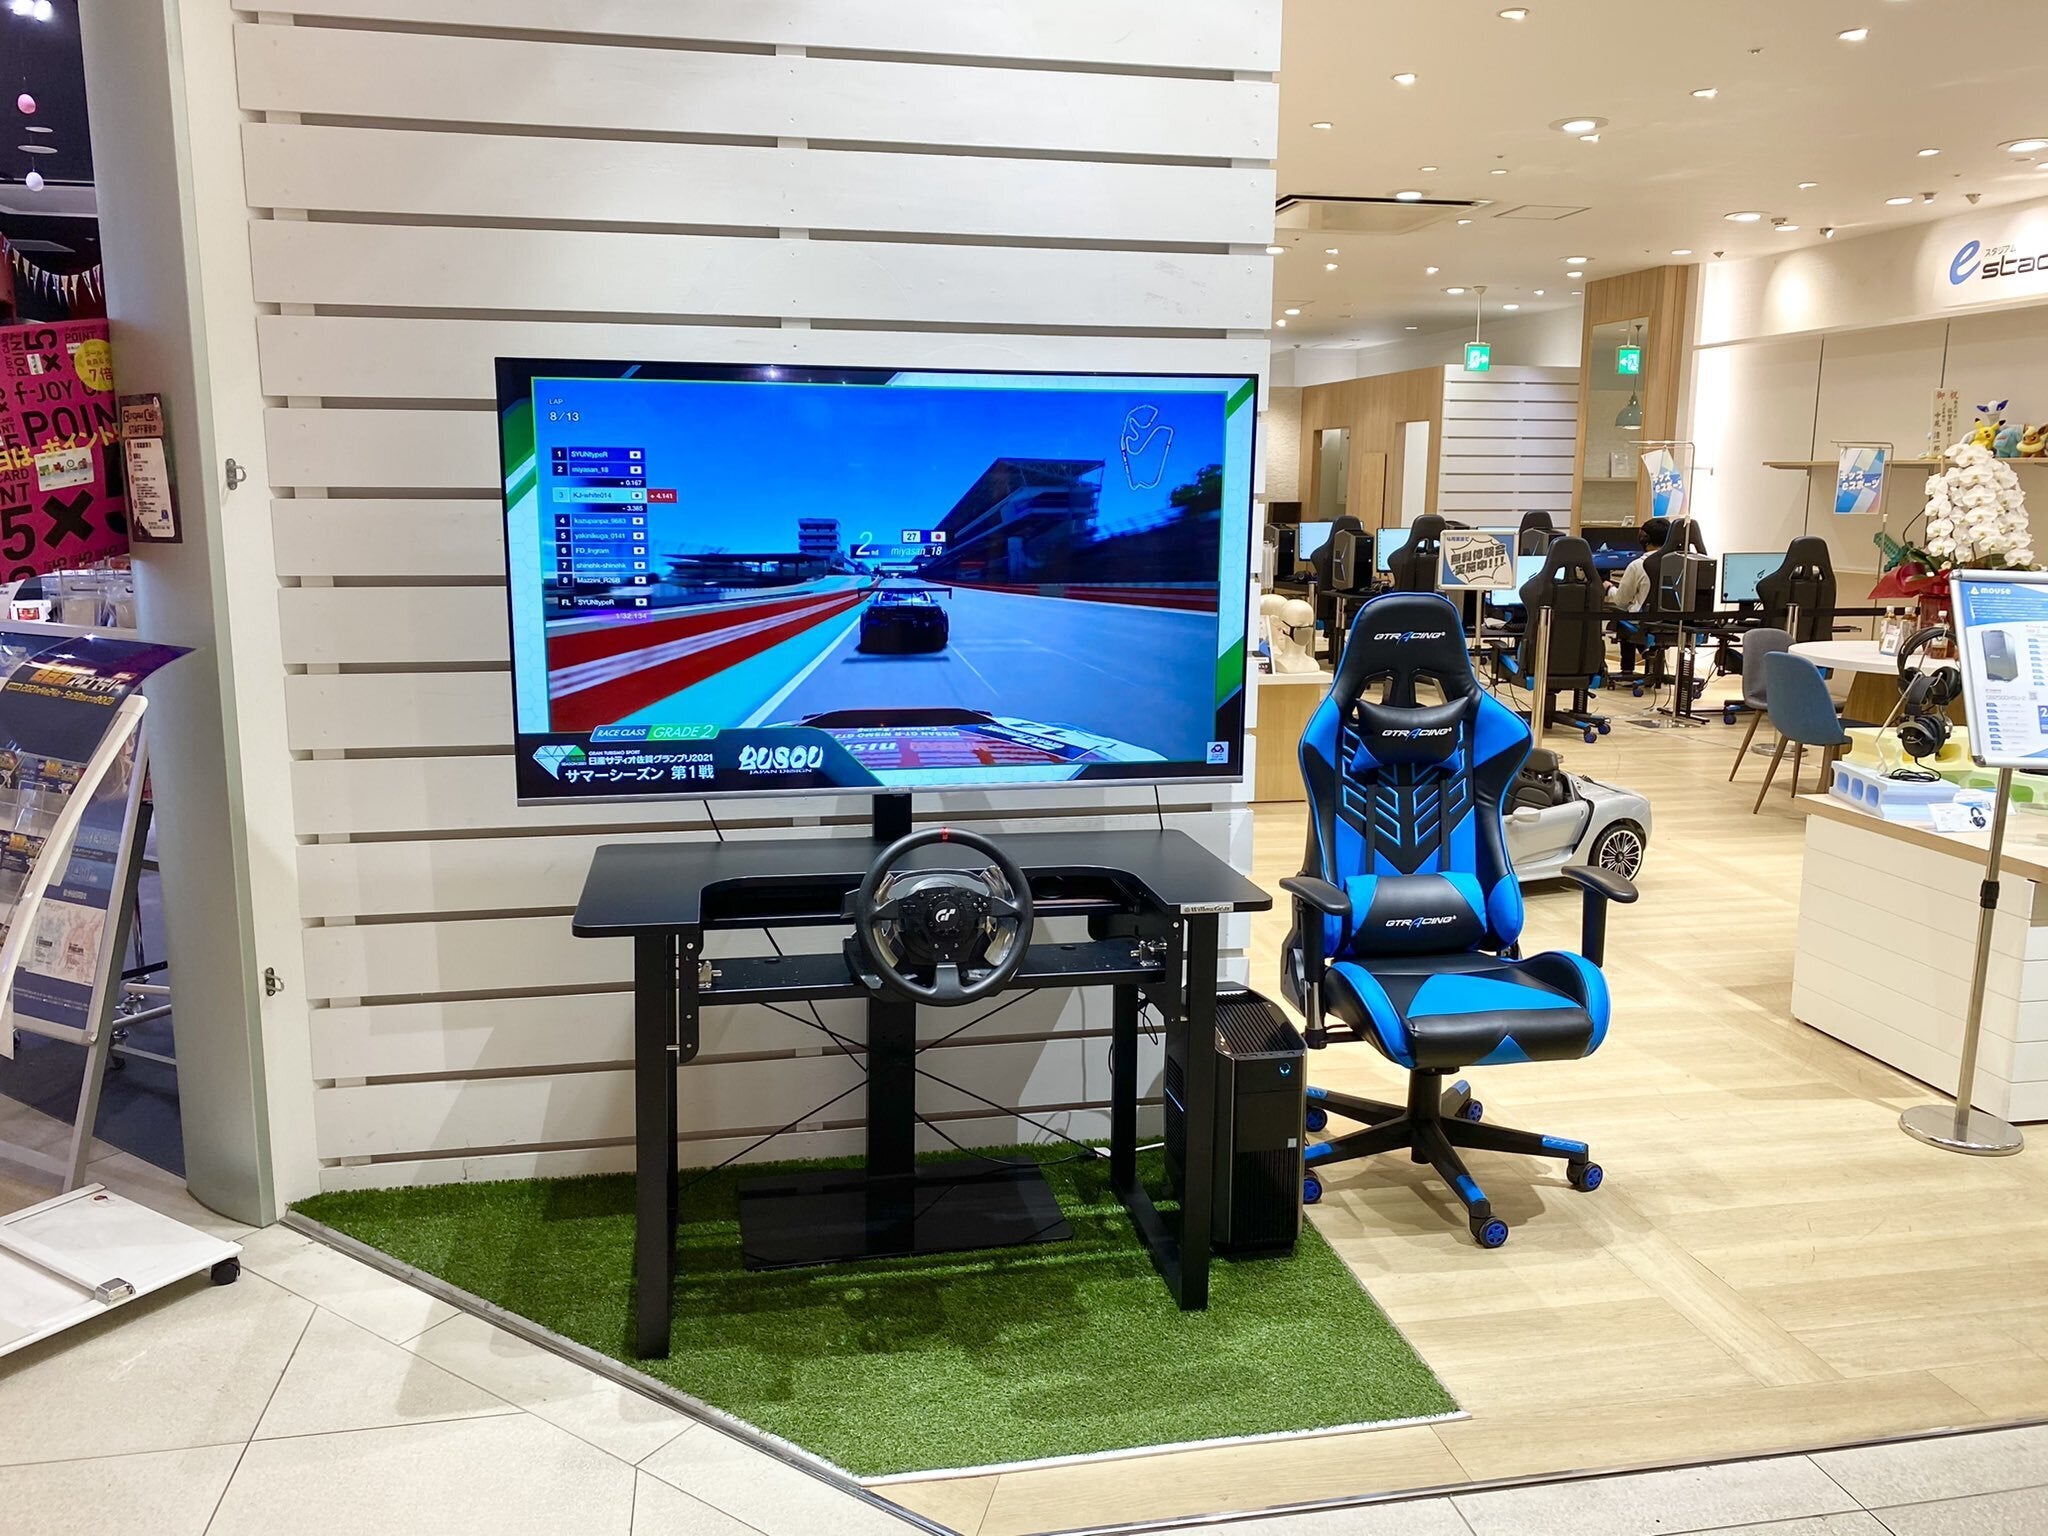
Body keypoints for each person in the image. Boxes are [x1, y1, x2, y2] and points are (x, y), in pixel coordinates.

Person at [1611, 517, 1669, 679]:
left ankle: (1627, 671)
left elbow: (1621, 601)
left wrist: (1609, 588)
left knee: (1622, 615)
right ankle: (1648, 655)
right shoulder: (1682, 563)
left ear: (1644, 538)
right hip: (1675, 623)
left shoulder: (1637, 565)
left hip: (1645, 622)